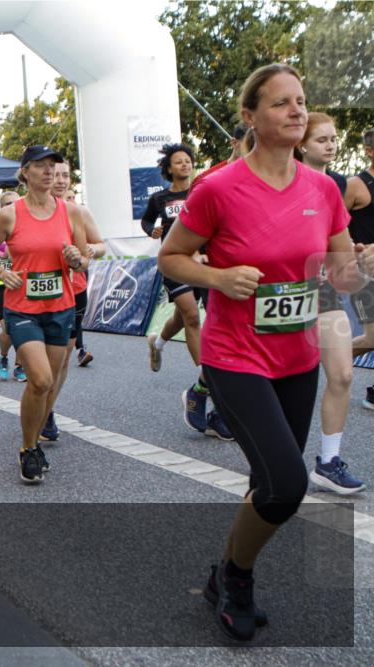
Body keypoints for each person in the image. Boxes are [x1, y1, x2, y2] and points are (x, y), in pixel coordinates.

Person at [159, 63, 373, 642]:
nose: (297, 112)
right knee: (286, 482)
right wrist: (219, 278)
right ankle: (238, 575)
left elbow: (337, 277)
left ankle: (222, 579)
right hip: (235, 356)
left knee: (265, 482)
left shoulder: (323, 189)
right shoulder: (219, 187)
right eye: (281, 103)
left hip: (297, 357)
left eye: (301, 102)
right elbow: (171, 258)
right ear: (250, 117)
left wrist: (358, 268)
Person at [0, 145, 91, 483]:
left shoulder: (71, 213)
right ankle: (28, 448)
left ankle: (35, 439)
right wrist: (2, 271)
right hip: (23, 308)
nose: (48, 172)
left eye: (53, 166)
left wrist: (76, 260)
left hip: (60, 306)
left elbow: (84, 258)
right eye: (40, 166)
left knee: (48, 385)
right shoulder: (11, 214)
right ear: (24, 172)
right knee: (39, 378)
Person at [142, 143, 234, 441]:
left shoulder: (201, 190)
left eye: (188, 161)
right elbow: (146, 220)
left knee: (183, 318)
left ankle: (158, 342)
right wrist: (152, 231)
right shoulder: (160, 198)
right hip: (175, 262)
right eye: (178, 162)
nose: (185, 165)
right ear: (168, 168)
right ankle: (206, 381)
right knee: (192, 316)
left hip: (204, 261)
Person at [295, 113, 365, 493]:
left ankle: (327, 461)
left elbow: (337, 235)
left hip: (322, 284)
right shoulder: (283, 177)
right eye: (321, 139)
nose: (331, 145)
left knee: (342, 374)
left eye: (333, 139)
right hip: (286, 286)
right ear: (302, 144)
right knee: (284, 379)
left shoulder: (338, 184)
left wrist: (353, 252)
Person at [42, 160, 107, 441]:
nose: (60, 180)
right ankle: (39, 397)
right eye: (55, 174)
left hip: (74, 290)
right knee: (41, 357)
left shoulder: (78, 212)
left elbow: (101, 245)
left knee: (64, 354)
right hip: (38, 295)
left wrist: (90, 249)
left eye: (65, 175)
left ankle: (47, 410)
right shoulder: (29, 211)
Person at [344, 127, 374, 409]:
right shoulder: (356, 185)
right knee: (372, 337)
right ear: (369, 151)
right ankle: (321, 360)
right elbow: (332, 225)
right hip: (364, 272)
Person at [0, 191, 27, 382]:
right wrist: (1, 272)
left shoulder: (29, 227)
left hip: (22, 285)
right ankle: (3, 357)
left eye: (13, 203)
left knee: (21, 328)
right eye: (5, 204)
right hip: (0, 285)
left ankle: (20, 365)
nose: (9, 207)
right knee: (8, 330)